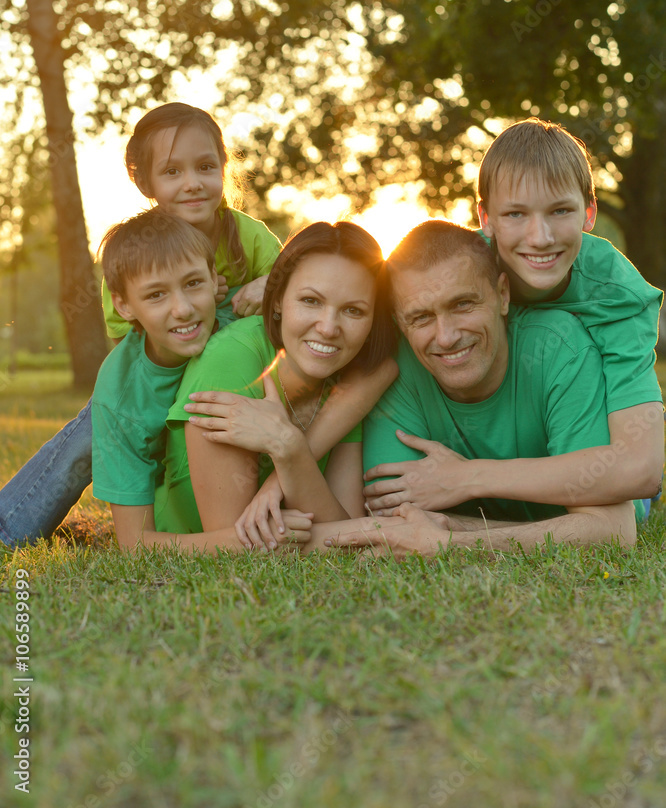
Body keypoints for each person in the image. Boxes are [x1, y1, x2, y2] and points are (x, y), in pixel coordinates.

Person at [0, 104, 394, 547]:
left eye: (205, 166)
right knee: (92, 431)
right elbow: (127, 342)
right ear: (144, 181)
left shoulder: (248, 236)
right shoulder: (134, 256)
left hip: (233, 367)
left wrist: (264, 286)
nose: (192, 183)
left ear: (224, 167)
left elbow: (294, 282)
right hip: (161, 373)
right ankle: (9, 528)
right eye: (172, 172)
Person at [362, 119, 664, 522]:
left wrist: (468, 478)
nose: (539, 237)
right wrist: (275, 281)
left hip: (588, 452)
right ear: (486, 218)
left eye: (560, 211)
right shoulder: (467, 268)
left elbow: (639, 470)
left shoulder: (618, 295)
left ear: (589, 212)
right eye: (516, 214)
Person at [321, 220, 636, 557]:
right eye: (421, 317)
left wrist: (452, 538)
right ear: (400, 322)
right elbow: (397, 519)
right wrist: (559, 529)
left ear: (502, 295)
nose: (446, 337)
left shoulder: (560, 349)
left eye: (462, 305)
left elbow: (613, 529)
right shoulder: (394, 369)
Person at [137, 221, 397, 550]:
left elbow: (343, 534)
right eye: (311, 301)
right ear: (277, 301)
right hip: (188, 548)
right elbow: (239, 542)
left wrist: (289, 447)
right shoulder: (234, 357)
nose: (329, 328)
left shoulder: (347, 380)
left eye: (353, 310)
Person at [91, 209, 313, 553]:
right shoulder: (120, 394)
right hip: (189, 523)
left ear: (213, 278)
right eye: (155, 295)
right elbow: (134, 545)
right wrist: (251, 540)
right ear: (122, 305)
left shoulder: (245, 324)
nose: (183, 309)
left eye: (193, 284)